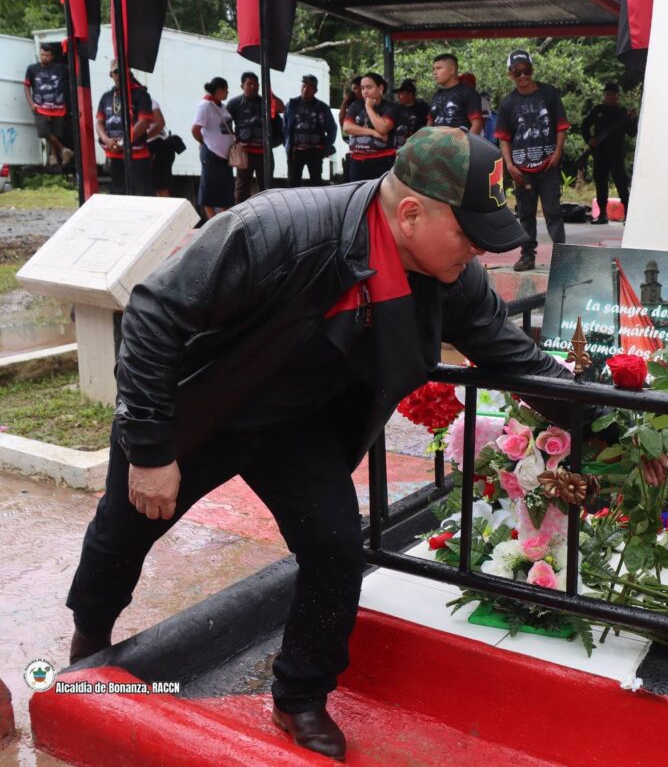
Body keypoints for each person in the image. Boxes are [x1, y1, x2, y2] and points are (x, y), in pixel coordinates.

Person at [64, 127, 564, 761]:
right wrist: (149, 450)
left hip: (297, 427)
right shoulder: (278, 229)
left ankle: (300, 694)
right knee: (124, 532)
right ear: (410, 214)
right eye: (469, 233)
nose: (479, 252)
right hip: (201, 412)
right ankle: (89, 644)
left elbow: (516, 358)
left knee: (335, 548)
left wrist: (604, 423)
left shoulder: (449, 277)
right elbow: (153, 315)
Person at [495, 50, 569, 272]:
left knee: (553, 211)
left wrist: (557, 152)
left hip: (548, 165)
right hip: (521, 169)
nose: (523, 76)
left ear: (532, 70)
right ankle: (527, 255)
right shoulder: (508, 103)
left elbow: (562, 127)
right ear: (510, 74)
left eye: (526, 70)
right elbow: (504, 138)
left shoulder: (549, 94)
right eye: (517, 72)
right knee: (525, 214)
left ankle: (563, 257)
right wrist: (509, 165)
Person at [580, 82, 638, 224]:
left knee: (621, 183)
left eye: (613, 94)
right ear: (604, 95)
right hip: (600, 152)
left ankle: (629, 215)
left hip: (617, 153)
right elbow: (585, 125)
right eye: (608, 94)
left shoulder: (623, 112)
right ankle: (602, 215)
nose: (610, 97)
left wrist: (632, 120)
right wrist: (589, 139)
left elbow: (632, 133)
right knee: (600, 183)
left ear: (618, 96)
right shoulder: (597, 110)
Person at [225, 71, 285, 203]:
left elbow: (281, 112)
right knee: (242, 188)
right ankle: (240, 213)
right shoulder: (234, 104)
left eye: (256, 84)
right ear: (242, 86)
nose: (253, 87)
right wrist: (233, 145)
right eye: (249, 84)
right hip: (244, 153)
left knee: (267, 188)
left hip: (265, 154)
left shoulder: (266, 102)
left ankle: (267, 211)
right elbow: (225, 126)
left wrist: (273, 143)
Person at [96, 60, 154, 195]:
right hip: (114, 154)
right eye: (116, 72)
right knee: (118, 194)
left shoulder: (141, 95)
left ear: (129, 73)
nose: (119, 75)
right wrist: (106, 140)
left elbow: (144, 122)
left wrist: (123, 142)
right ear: (111, 75)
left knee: (141, 195)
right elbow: (99, 122)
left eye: (122, 71)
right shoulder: (106, 97)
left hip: (137, 154)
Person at [191, 77, 235, 219]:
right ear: (219, 90)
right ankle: (213, 222)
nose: (227, 92)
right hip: (212, 153)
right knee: (209, 193)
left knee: (225, 193)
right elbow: (195, 129)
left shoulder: (220, 106)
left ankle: (224, 221)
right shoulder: (205, 106)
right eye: (226, 89)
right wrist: (204, 143)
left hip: (225, 156)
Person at [24, 42, 73, 169]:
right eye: (42, 55)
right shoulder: (32, 69)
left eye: (47, 55)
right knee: (44, 131)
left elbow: (71, 79)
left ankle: (53, 157)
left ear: (52, 56)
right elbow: (26, 86)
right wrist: (31, 103)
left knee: (55, 133)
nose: (44, 57)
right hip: (40, 107)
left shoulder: (61, 69)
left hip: (58, 107)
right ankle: (64, 150)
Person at [284, 74, 337, 188]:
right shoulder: (292, 105)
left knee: (316, 184)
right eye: (304, 86)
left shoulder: (322, 107)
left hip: (315, 151)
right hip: (295, 151)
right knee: (292, 183)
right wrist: (288, 146)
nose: (305, 89)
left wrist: (325, 147)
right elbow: (285, 128)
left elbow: (332, 129)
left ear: (315, 90)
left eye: (309, 87)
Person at [342, 72, 396, 182]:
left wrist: (369, 108)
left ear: (380, 88)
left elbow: (382, 128)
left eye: (369, 87)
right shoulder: (355, 105)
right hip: (357, 162)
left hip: (382, 161)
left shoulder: (391, 107)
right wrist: (373, 132)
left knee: (380, 191)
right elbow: (347, 127)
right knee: (358, 192)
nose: (365, 91)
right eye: (362, 88)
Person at [428, 53, 482, 134]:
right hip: (436, 141)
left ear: (452, 70)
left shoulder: (468, 93)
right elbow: (430, 122)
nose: (435, 72)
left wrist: (466, 142)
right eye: (434, 69)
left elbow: (477, 124)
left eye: (439, 68)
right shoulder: (436, 95)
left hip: (459, 141)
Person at [146, 96, 176, 197]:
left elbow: (160, 123)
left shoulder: (149, 101)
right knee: (154, 185)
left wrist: (141, 139)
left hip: (157, 145)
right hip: (153, 144)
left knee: (161, 185)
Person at [391, 78, 430, 151]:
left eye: (401, 94)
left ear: (410, 94)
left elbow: (429, 123)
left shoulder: (423, 107)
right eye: (398, 94)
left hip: (418, 145)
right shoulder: (396, 108)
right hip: (399, 147)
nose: (399, 96)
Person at [338, 76, 362, 182]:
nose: (353, 92)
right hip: (353, 151)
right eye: (352, 89)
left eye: (356, 89)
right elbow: (341, 122)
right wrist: (344, 102)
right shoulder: (352, 106)